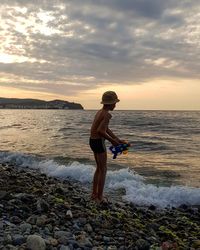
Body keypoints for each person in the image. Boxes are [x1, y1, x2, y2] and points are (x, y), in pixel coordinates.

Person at [89, 91, 126, 203]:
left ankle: (94, 194)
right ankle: (100, 197)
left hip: (92, 141)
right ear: (110, 103)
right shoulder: (107, 114)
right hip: (99, 142)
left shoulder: (100, 112)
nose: (115, 105)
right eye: (115, 103)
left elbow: (105, 128)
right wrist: (112, 142)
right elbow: (101, 131)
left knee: (98, 168)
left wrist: (117, 139)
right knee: (103, 169)